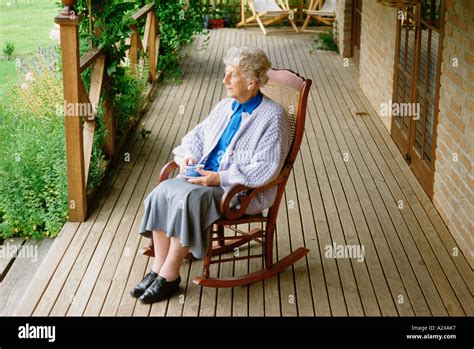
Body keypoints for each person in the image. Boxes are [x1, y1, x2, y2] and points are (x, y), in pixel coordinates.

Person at [130, 46, 291, 304]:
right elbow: (197, 135)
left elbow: (267, 167)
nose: (224, 81)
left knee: (189, 200)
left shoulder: (273, 117)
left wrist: (219, 178)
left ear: (251, 82)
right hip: (203, 176)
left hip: (238, 191)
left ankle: (170, 276)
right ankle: (157, 269)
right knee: (161, 193)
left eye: (232, 75)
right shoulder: (226, 106)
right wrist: (188, 157)